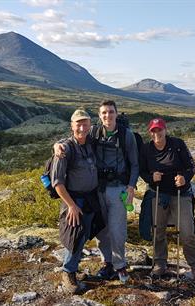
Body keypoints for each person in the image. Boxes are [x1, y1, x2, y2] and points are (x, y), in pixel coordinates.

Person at [54, 100, 139, 283]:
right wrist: (57, 145)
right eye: (104, 113)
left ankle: (120, 265)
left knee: (117, 230)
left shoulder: (127, 136)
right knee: (102, 230)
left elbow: (135, 163)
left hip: (119, 189)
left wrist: (131, 186)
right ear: (99, 117)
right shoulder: (94, 132)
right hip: (97, 191)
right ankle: (107, 263)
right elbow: (76, 137)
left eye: (110, 112)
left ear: (116, 114)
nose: (107, 115)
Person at [138, 117, 195, 281]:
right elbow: (142, 171)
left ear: (165, 130)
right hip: (158, 193)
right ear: (150, 132)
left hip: (180, 193)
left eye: (159, 130)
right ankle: (160, 263)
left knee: (187, 232)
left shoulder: (178, 145)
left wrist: (184, 178)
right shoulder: (146, 149)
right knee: (158, 230)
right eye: (153, 130)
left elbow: (191, 166)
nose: (157, 133)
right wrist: (151, 177)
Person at [50, 108, 104, 294]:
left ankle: (73, 269)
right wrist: (71, 206)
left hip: (90, 198)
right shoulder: (65, 149)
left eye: (85, 123)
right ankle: (68, 272)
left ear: (90, 125)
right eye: (78, 123)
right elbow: (57, 182)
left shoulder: (90, 143)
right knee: (74, 237)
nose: (82, 127)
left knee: (83, 236)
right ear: (72, 126)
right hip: (75, 201)